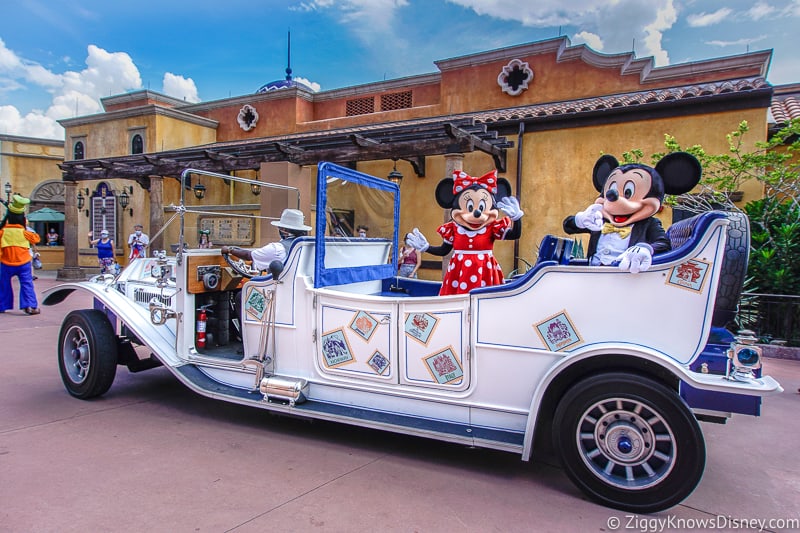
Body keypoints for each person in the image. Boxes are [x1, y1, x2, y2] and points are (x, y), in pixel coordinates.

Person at [221, 208, 311, 271]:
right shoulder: (307, 246)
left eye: (280, 228)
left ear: (284, 231)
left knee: (240, 295)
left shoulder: (277, 249)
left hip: (279, 288)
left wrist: (229, 250)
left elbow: (249, 256)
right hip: (294, 286)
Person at [0, 195, 41, 315]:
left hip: (6, 263)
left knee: (3, 284)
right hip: (23, 263)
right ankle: (30, 306)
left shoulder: (2, 232)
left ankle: (2, 305)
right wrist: (25, 226)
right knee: (27, 284)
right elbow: (36, 239)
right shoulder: (25, 232)